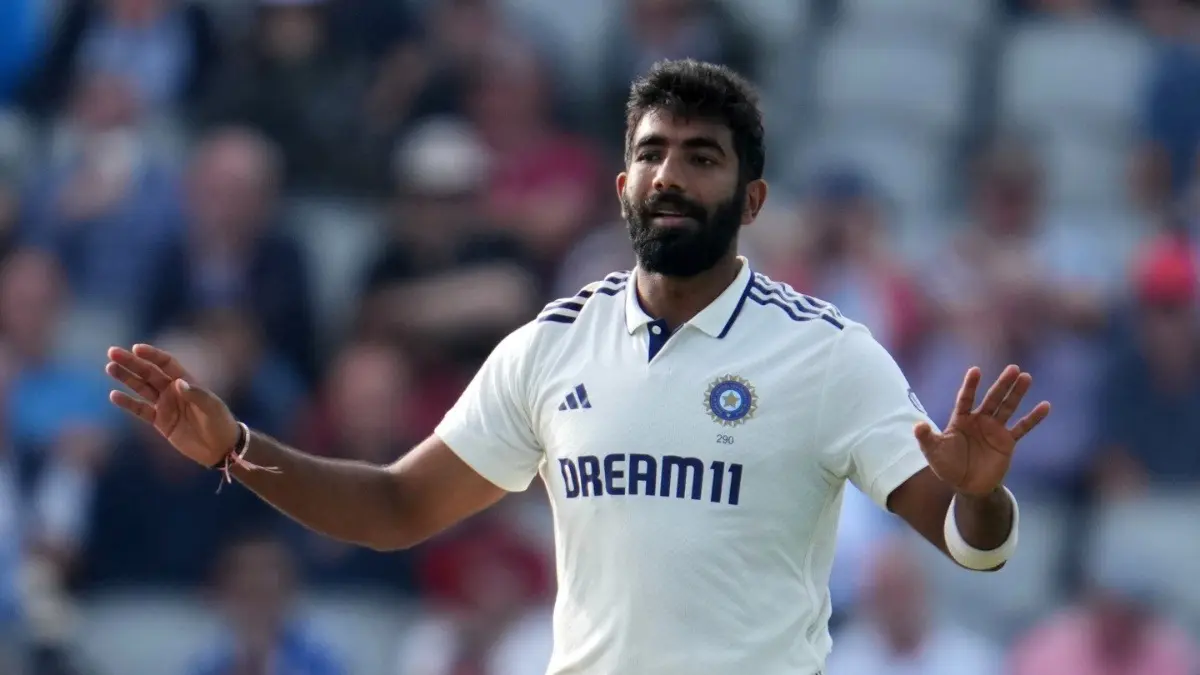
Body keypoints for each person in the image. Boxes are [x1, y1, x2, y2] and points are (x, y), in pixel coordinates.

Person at [104, 59, 1051, 675]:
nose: (671, 175)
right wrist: (235, 447)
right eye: (653, 154)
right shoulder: (552, 345)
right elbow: (395, 507)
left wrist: (979, 495)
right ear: (622, 186)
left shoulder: (828, 352)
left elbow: (973, 541)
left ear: (753, 198)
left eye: (703, 158)